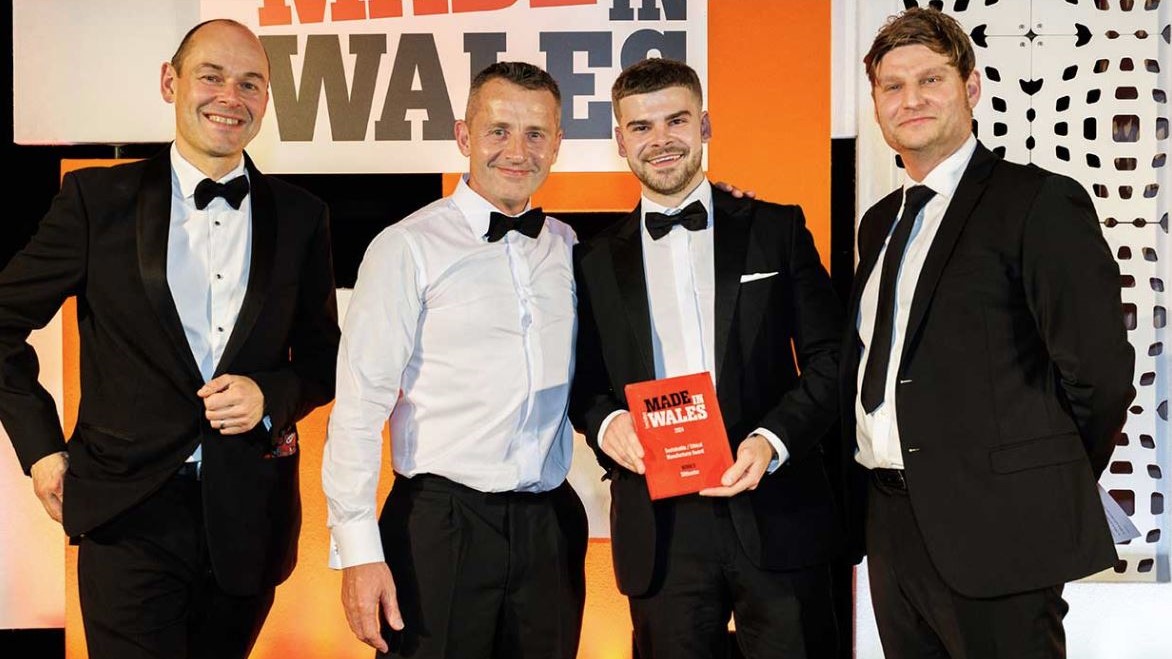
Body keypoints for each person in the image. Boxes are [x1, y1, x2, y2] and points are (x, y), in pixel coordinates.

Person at [0, 18, 339, 659]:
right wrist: (42, 450)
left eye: (250, 83)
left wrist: (271, 395)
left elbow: (324, 360)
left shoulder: (301, 217)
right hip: (128, 512)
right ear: (170, 82)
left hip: (248, 520)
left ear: (266, 99)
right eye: (211, 76)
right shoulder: (97, 199)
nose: (229, 97)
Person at [844, 7, 1135, 657]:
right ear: (876, 103)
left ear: (970, 88)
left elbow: (1101, 373)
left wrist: (1034, 480)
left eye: (931, 79)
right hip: (892, 526)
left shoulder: (1037, 202)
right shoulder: (879, 223)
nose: (910, 99)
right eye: (892, 86)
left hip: (1002, 530)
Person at [569, 57, 844, 659]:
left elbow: (833, 358)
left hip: (775, 507)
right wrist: (608, 424)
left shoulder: (777, 227)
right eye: (641, 127)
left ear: (706, 126)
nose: (661, 140)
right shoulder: (588, 260)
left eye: (677, 121)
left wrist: (772, 441)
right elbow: (581, 380)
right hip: (660, 526)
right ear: (620, 140)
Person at [322, 61, 588, 659]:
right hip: (438, 527)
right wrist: (359, 552)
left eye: (536, 134)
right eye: (498, 130)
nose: (517, 151)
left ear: (557, 144)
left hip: (549, 524)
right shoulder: (405, 246)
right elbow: (360, 407)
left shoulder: (569, 247)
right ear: (464, 136)